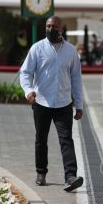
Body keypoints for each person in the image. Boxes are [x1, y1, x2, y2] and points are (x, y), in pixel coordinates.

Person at [20, 16, 84, 192]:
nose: (50, 29)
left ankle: (70, 176)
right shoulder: (37, 48)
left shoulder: (71, 51)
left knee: (66, 140)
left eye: (54, 26)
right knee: (41, 139)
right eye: (48, 26)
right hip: (41, 102)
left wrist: (79, 105)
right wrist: (28, 91)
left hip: (63, 103)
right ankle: (41, 172)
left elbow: (76, 79)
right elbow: (25, 73)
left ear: (61, 29)